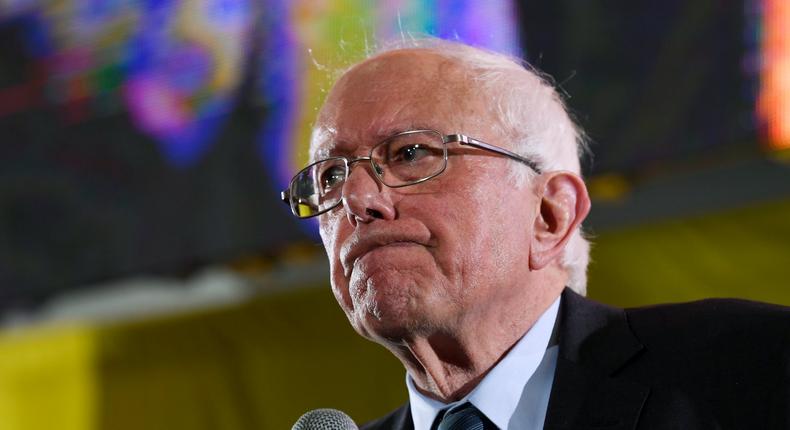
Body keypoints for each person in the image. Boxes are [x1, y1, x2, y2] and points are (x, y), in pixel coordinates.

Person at [280, 39, 790, 429]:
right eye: (330, 176)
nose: (356, 199)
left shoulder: (751, 367)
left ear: (550, 213)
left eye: (411, 154)